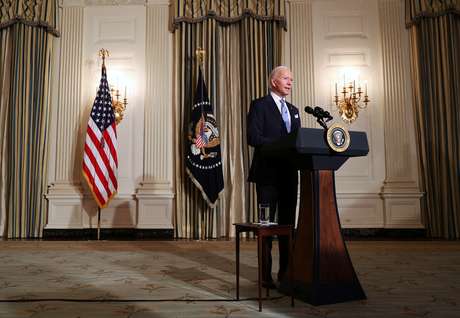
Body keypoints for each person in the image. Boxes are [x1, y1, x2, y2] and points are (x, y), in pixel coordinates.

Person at [247, 66, 301, 288]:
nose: (290, 82)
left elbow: (298, 141)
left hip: (289, 175)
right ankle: (265, 276)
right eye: (286, 78)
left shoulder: (295, 109)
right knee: (267, 227)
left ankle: (287, 273)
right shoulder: (259, 105)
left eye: (291, 79)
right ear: (273, 82)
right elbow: (253, 137)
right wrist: (282, 145)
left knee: (288, 227)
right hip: (267, 175)